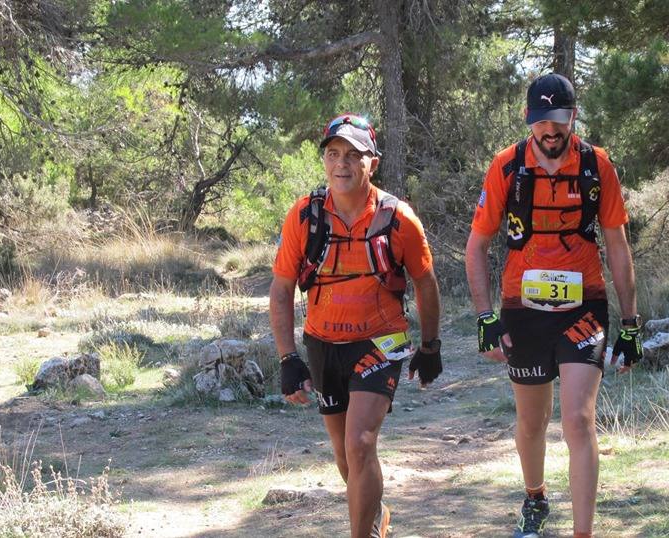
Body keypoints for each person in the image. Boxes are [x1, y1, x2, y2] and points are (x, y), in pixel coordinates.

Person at [464, 73, 643, 538]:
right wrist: (485, 318)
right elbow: (476, 247)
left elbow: (618, 246)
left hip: (584, 305)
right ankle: (535, 497)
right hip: (522, 310)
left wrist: (631, 323)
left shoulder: (596, 166)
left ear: (573, 117)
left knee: (578, 419)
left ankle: (583, 532)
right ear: (529, 120)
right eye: (541, 122)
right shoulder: (506, 167)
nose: (550, 132)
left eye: (559, 121)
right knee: (531, 421)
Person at [269, 113, 442, 538]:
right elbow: (281, 289)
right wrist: (288, 358)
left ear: (373, 162)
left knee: (360, 443)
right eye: (333, 154)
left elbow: (425, 282)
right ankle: (376, 518)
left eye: (352, 155)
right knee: (347, 459)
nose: (341, 164)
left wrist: (431, 345)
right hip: (323, 342)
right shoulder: (304, 216)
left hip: (380, 342)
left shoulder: (399, 219)